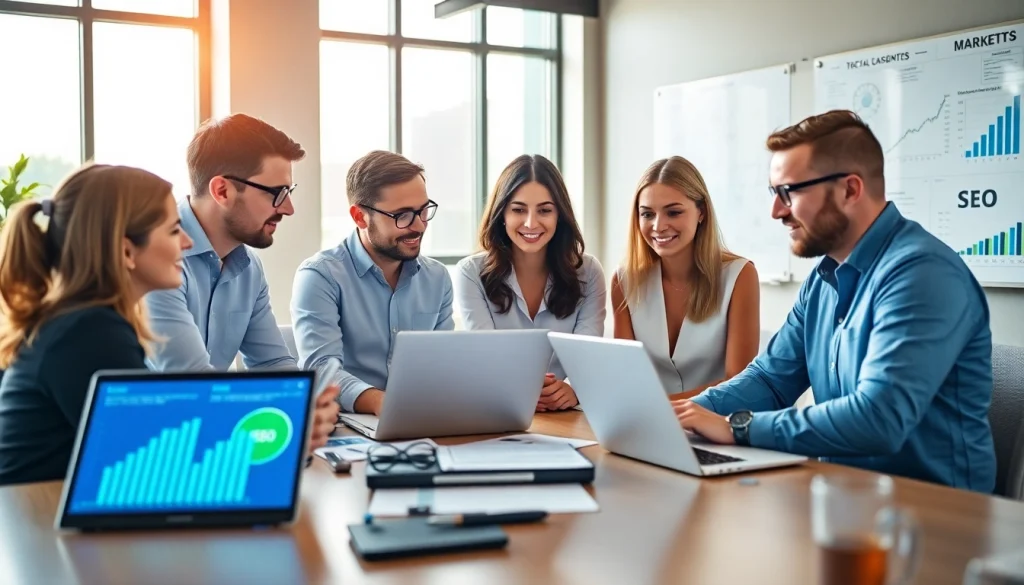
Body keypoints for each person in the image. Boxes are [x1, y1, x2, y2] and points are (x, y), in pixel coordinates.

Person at [677, 110, 996, 492]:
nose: (776, 211)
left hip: (934, 515)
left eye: (788, 193)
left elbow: (879, 418)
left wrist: (738, 428)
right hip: (843, 496)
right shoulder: (824, 278)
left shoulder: (923, 275)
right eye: (773, 194)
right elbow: (769, 379)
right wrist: (683, 414)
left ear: (850, 190)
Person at [0, 165, 335, 485]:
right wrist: (283, 435)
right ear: (127, 251)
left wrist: (284, 430)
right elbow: (157, 461)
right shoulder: (86, 332)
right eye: (174, 230)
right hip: (40, 532)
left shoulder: (89, 322)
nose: (187, 243)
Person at [291, 150, 454, 415]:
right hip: (349, 425)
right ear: (359, 217)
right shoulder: (320, 276)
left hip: (422, 420)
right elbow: (322, 370)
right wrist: (383, 403)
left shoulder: (437, 278)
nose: (419, 226)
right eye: (402, 215)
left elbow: (444, 364)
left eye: (423, 211)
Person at [145, 113, 302, 371]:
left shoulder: (249, 267)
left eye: (289, 192)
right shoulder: (155, 257)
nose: (288, 208)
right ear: (222, 191)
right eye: (277, 193)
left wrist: (305, 403)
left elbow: (272, 363)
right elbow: (191, 380)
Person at [455, 155, 606, 412]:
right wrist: (523, 389)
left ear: (560, 215)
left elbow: (588, 357)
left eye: (545, 210)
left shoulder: (589, 272)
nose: (531, 223)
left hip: (567, 414)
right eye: (518, 209)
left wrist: (572, 389)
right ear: (501, 213)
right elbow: (486, 358)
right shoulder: (470, 273)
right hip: (499, 409)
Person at [610, 156, 760, 398]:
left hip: (719, 422)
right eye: (647, 214)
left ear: (701, 212)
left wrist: (659, 407)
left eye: (673, 212)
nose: (658, 226)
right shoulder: (625, 281)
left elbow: (738, 382)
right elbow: (626, 375)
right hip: (649, 424)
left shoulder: (739, 275)